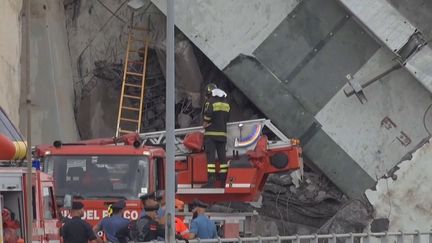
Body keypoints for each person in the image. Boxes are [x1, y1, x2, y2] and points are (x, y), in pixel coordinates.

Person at [202, 83, 230, 187]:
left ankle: (211, 180)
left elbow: (207, 115)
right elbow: (227, 118)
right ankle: (223, 180)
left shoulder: (210, 102)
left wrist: (205, 123)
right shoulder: (226, 103)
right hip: (222, 134)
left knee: (211, 158)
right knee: (223, 158)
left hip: (211, 135)